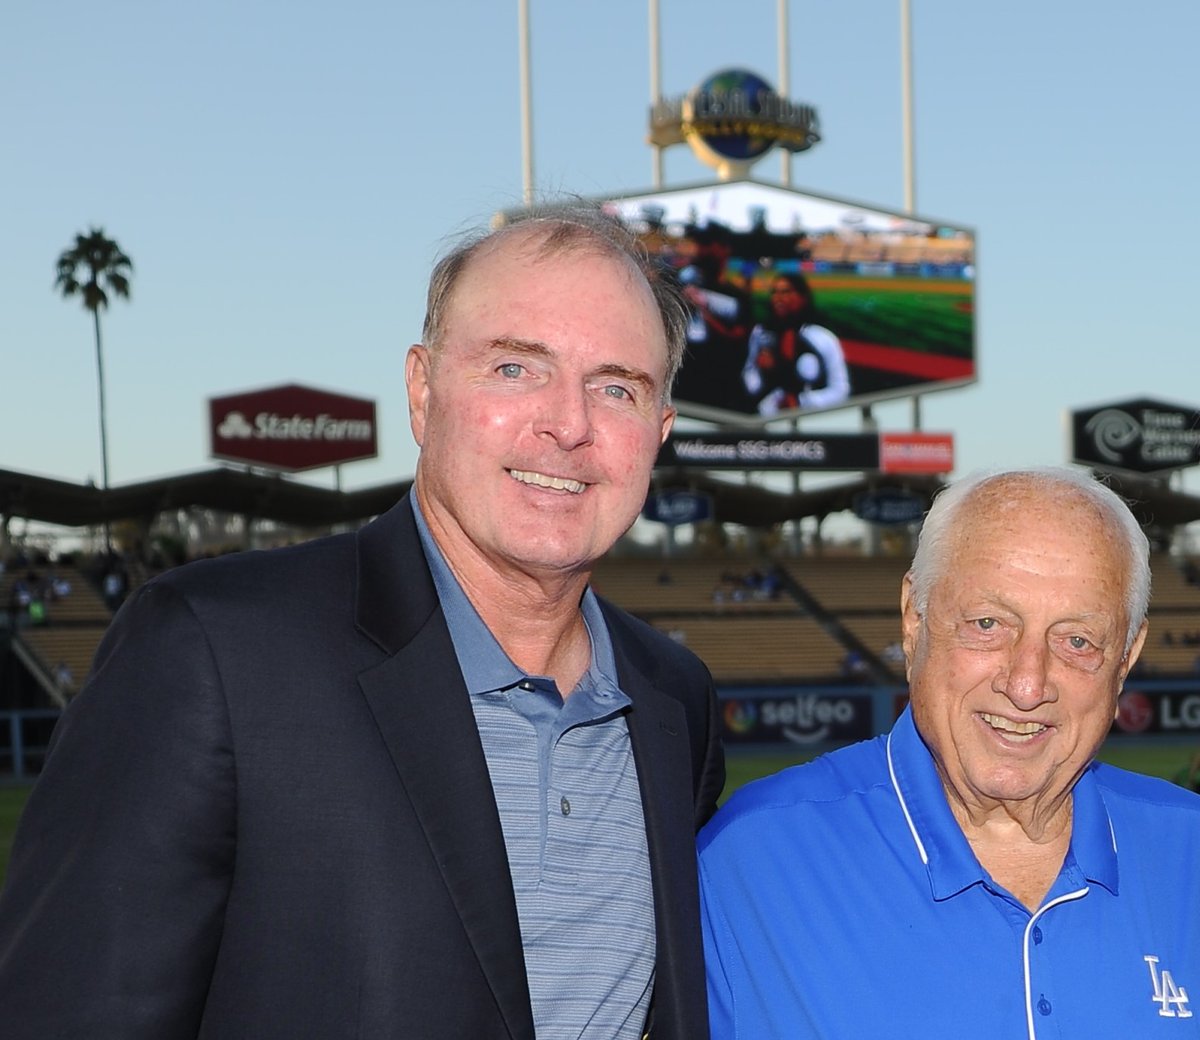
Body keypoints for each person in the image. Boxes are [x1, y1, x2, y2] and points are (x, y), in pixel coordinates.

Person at [0, 206, 725, 1039]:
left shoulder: (676, 702)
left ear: (658, 433)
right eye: (516, 368)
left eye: (615, 387)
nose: (568, 422)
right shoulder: (213, 652)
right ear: (423, 392)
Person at [698, 467, 1200, 1038]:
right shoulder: (748, 861)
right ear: (915, 618)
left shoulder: (1192, 853)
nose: (1027, 684)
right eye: (988, 623)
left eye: (1077, 640)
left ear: (1127, 656)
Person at [742, 270, 850, 415]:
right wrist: (759, 384)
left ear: (802, 297)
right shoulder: (761, 333)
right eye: (774, 292)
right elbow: (749, 370)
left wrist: (801, 402)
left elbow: (840, 391)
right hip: (764, 421)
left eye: (786, 292)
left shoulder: (822, 338)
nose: (778, 298)